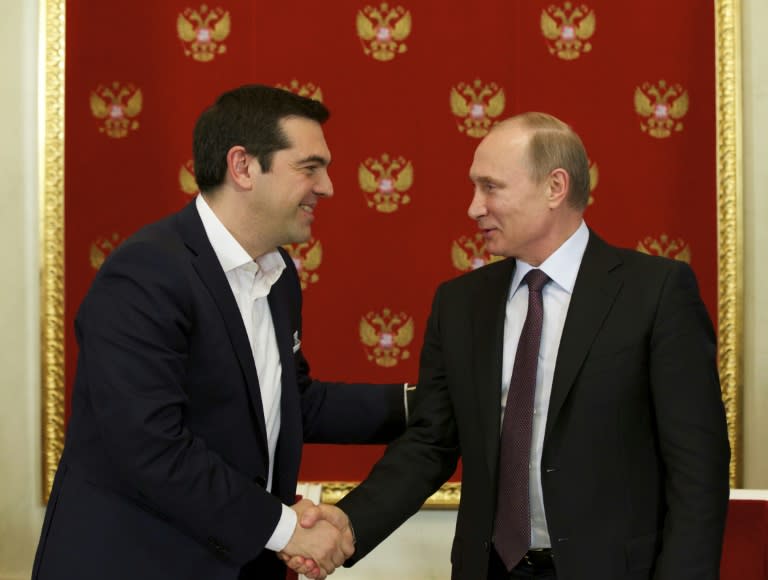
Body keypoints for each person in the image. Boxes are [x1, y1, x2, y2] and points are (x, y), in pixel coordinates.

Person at [291, 112, 730, 579]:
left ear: (555, 187)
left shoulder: (655, 293)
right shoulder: (460, 303)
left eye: (491, 187)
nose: (474, 207)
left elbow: (698, 468)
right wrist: (349, 523)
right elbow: (430, 442)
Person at [32, 84, 411, 580]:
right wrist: (287, 529)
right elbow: (151, 445)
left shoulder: (278, 276)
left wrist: (425, 402)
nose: (327, 187)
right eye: (309, 167)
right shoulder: (146, 273)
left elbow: (292, 402)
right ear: (243, 167)